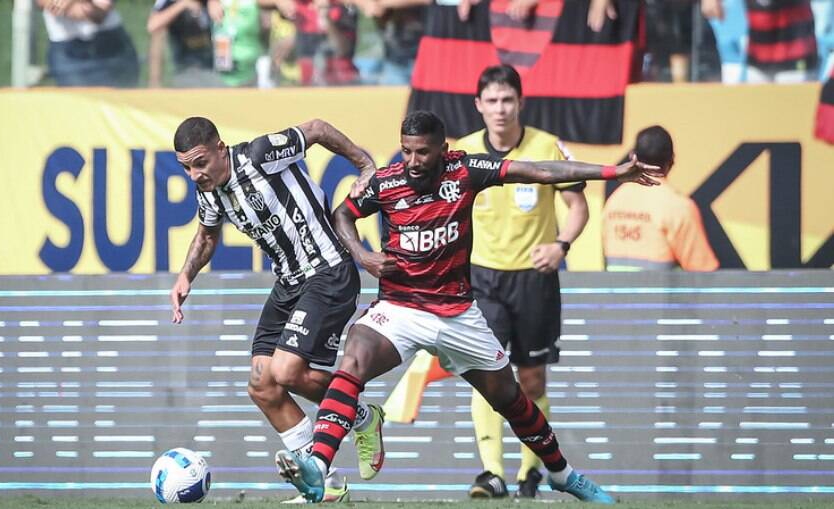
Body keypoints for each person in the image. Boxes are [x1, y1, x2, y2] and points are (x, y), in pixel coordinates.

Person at [275, 110, 662, 504]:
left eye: (422, 153)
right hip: (400, 307)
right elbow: (342, 214)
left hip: (457, 314)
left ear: (443, 150)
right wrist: (364, 255)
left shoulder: (465, 171)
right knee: (354, 358)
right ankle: (319, 466)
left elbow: (539, 171)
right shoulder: (385, 182)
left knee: (511, 399)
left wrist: (613, 173)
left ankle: (562, 474)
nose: (412, 162)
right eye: (406, 151)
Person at [169, 116, 384, 502]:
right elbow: (206, 234)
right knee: (262, 385)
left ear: (220, 148)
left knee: (286, 371)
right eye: (186, 167)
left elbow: (316, 128)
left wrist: (364, 164)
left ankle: (364, 418)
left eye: (199, 162)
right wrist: (186, 276)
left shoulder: (260, 154)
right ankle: (326, 483)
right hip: (289, 284)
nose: (194, 174)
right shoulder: (211, 192)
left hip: (328, 271)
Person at [452, 64, 588, 499]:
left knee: (531, 381)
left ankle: (531, 471)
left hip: (534, 279)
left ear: (521, 102)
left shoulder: (546, 146)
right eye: (491, 101)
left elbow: (578, 206)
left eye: (507, 100)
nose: (500, 109)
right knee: (486, 375)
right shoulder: (463, 151)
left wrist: (561, 245)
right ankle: (491, 472)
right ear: (478, 106)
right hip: (483, 280)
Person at [602, 125, 719, 271]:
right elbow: (702, 271)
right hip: (661, 293)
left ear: (633, 156)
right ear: (671, 161)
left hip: (614, 293)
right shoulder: (678, 206)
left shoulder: (614, 200)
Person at [38, 0, 139, 87]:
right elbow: (52, 5)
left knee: (122, 105)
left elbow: (98, 14)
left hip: (111, 47)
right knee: (78, 105)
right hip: (67, 51)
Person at [147, 0, 226, 88]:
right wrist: (182, 4)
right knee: (158, 34)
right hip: (186, 70)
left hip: (217, 69)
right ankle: (155, 81)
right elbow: (153, 26)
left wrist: (214, 2)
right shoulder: (168, 2)